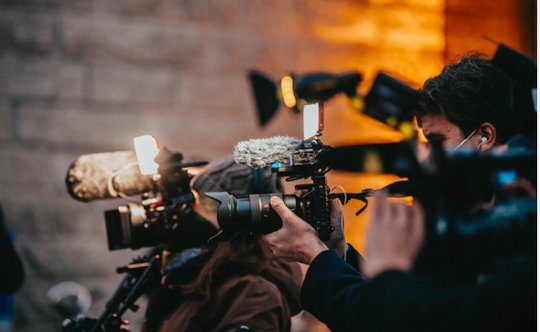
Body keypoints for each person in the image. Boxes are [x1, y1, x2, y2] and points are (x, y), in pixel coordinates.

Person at [263, 53, 536, 332]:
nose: (427, 158)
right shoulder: (467, 225)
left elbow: (401, 318)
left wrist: (317, 254)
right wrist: (337, 249)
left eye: (437, 141)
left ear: (485, 137)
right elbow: (397, 304)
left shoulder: (518, 243)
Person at [143, 156, 304, 332]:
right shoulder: (201, 281)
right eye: (195, 204)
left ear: (242, 219)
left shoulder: (253, 294)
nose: (193, 216)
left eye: (209, 206)